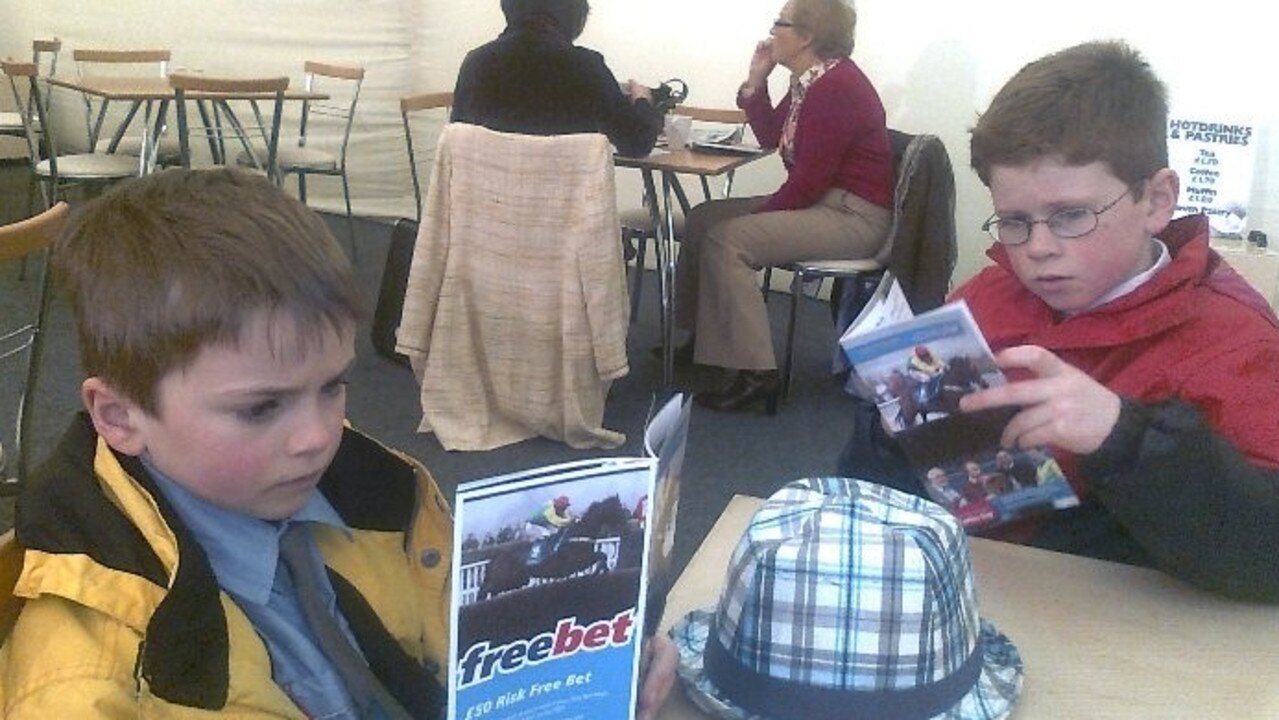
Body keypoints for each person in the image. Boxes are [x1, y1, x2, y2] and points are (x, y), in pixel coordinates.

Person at [0, 168, 677, 718]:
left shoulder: (369, 490)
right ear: (119, 417)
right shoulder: (87, 686)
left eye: (332, 386)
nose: (319, 435)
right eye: (261, 407)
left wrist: (587, 655)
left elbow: (447, 641)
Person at [839, 41, 1279, 602]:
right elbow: (902, 482)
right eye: (1014, 221)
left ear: (1157, 200)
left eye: (1071, 215)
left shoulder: (1233, 342)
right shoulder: (992, 292)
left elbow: (1268, 555)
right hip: (958, 589)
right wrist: (890, 422)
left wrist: (1125, 437)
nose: (1038, 249)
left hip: (1107, 632)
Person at [672, 0, 893, 414]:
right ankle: (703, 340)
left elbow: (808, 181)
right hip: (827, 202)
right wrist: (757, 79)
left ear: (807, 37)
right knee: (704, 218)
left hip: (854, 216)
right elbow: (773, 135)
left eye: (780, 23)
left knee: (728, 238)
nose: (772, 31)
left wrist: (757, 217)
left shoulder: (837, 87)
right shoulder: (811, 80)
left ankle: (757, 374)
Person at [451, 0, 663, 157]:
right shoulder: (586, 66)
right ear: (573, 15)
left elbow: (456, 143)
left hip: (488, 211)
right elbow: (637, 144)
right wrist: (642, 100)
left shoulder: (476, 63)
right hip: (563, 215)